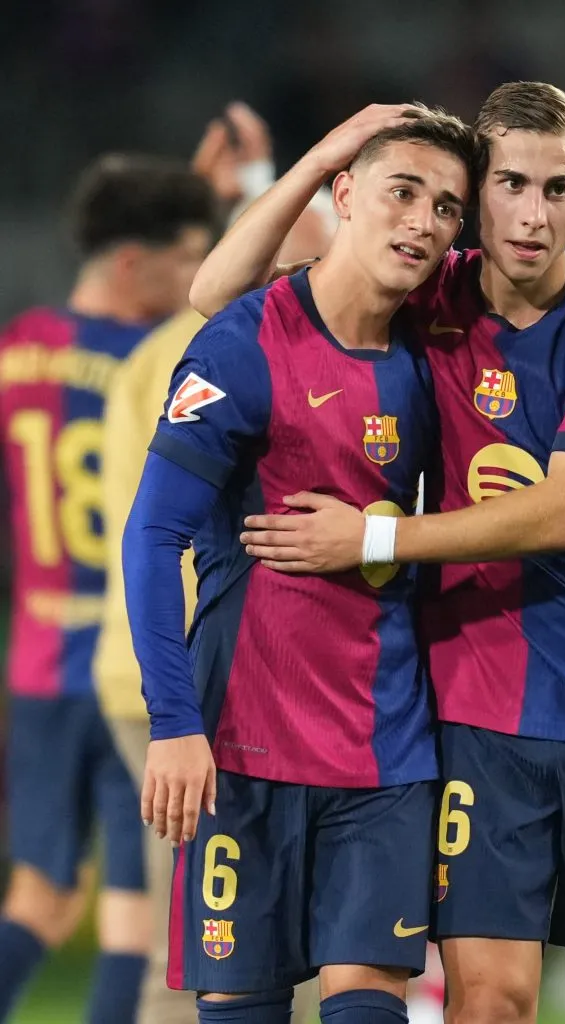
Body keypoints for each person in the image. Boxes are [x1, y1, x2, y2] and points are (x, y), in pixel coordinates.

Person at [192, 82, 565, 1024]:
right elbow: (218, 297)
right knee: (490, 1001)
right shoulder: (426, 290)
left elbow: (562, 513)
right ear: (478, 191)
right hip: (480, 697)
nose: (532, 212)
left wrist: (374, 537)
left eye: (558, 190)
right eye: (511, 183)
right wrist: (316, 164)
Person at [122, 104, 476, 1024]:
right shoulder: (244, 345)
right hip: (242, 750)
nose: (425, 222)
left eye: (447, 207)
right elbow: (152, 537)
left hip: (384, 756)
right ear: (345, 194)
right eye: (404, 191)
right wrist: (174, 722)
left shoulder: (437, 348)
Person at [93, 102, 335, 1024]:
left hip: (140, 661)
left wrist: (243, 177)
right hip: (202, 678)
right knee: (202, 949)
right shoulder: (235, 355)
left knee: (191, 934)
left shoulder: (145, 359)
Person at [0, 153, 217, 1023]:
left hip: (40, 658)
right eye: (185, 258)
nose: (194, 278)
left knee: (40, 900)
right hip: (133, 664)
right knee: (139, 917)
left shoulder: (20, 348)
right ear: (135, 263)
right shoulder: (160, 358)